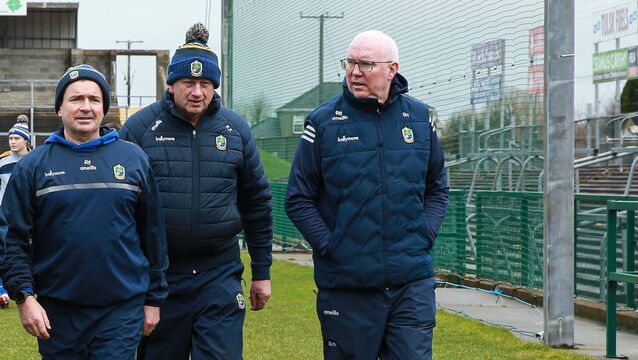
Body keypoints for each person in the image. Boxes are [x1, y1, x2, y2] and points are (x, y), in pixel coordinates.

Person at [285, 30, 449, 360]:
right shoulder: (323, 121)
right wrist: (332, 246)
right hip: (347, 287)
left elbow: (437, 187)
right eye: (350, 63)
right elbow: (298, 198)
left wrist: (424, 234)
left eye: (366, 64)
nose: (355, 72)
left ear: (392, 69)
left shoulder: (419, 118)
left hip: (410, 284)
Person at [120, 23, 273, 360]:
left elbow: (257, 203)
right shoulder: (140, 128)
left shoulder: (235, 129)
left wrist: (261, 272)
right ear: (171, 83)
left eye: (205, 83)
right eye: (188, 82)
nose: (197, 92)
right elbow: (121, 209)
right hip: (160, 281)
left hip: (219, 275)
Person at [0, 64, 168, 359]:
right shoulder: (33, 166)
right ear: (59, 108)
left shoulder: (133, 160)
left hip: (121, 311)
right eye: (76, 99)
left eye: (94, 99)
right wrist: (24, 297)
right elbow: (12, 238)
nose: (86, 107)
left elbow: (153, 235)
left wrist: (153, 300)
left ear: (104, 109)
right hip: (58, 313)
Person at [0, 114, 31, 204]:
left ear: (26, 140)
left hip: (27, 214)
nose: (13, 142)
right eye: (10, 138)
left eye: (17, 138)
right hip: (4, 215)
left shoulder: (36, 160)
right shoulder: (2, 161)